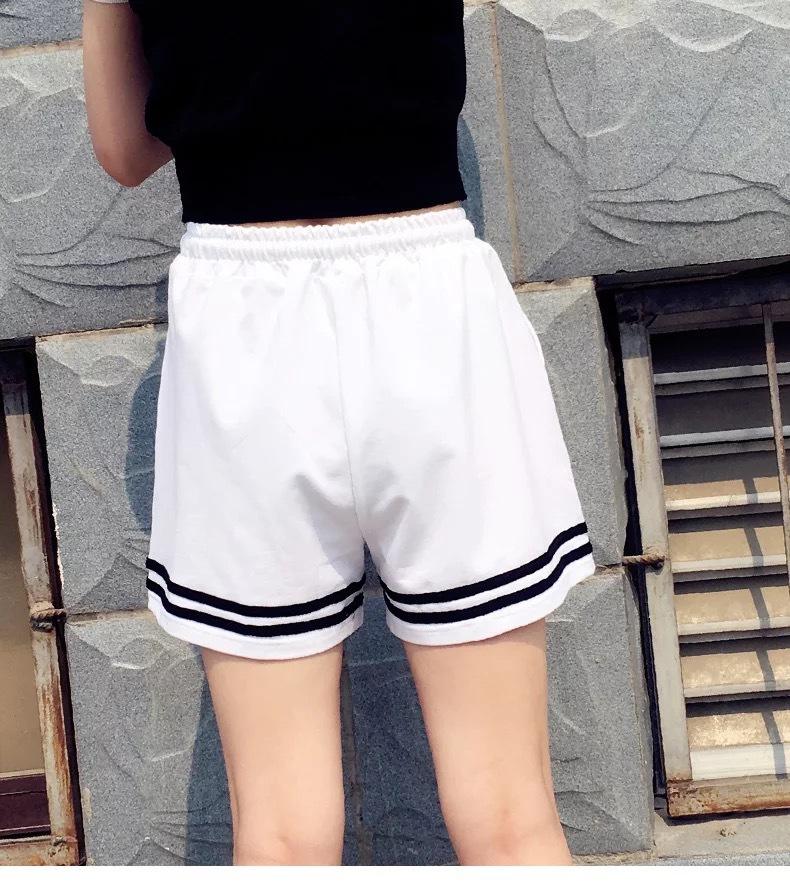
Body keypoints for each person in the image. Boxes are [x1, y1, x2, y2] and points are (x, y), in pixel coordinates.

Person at [82, 0, 596, 867]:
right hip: (429, 301)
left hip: (243, 325)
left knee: (281, 833)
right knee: (511, 814)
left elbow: (125, 149)